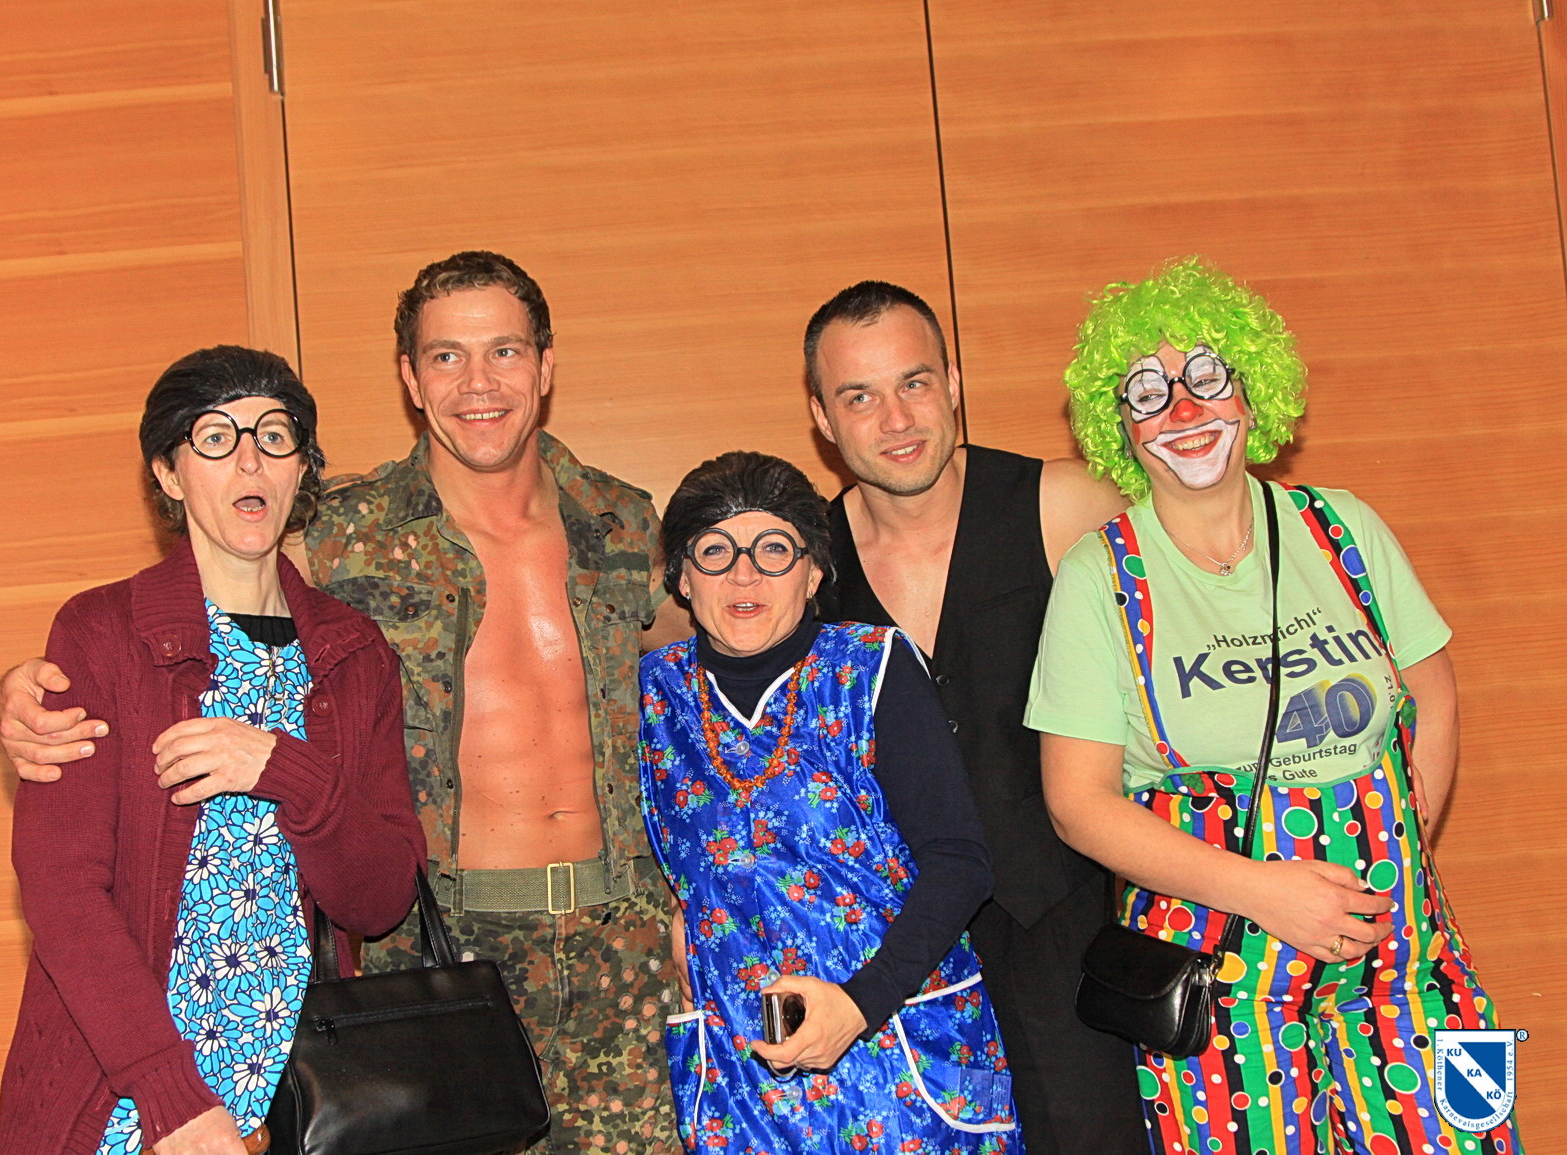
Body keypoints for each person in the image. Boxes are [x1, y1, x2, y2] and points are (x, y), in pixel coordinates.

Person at [0, 253, 686, 1153]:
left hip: (621, 952)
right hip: (437, 961)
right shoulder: (341, 533)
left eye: (506, 350)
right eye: (446, 356)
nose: (478, 382)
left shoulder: (626, 523)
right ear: (410, 377)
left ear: (546, 365)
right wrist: (26, 686)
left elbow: (722, 665)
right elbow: (198, 596)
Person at [1026, 258, 1522, 1154]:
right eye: (1148, 393)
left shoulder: (1344, 526)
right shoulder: (1102, 577)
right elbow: (1077, 802)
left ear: (1252, 394)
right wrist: (1267, 892)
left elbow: (1433, 695)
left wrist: (1398, 855)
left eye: (1206, 376)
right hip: (1224, 976)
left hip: (1403, 957)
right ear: (1122, 425)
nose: (1184, 408)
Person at [0, 346, 423, 1155]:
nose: (250, 460)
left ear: (302, 467)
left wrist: (283, 768)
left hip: (299, 1105)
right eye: (216, 438)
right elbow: (60, 889)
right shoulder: (101, 633)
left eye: (274, 436)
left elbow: (380, 898)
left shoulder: (355, 653)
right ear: (168, 472)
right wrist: (171, 1096)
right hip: (128, 1102)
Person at [805, 282, 1145, 1154]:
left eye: (914, 382)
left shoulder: (1066, 504)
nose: (896, 419)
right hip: (900, 964)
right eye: (859, 396)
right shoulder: (804, 567)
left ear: (953, 383)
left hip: (1077, 936)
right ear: (822, 418)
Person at [640, 451, 1022, 1153]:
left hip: (899, 1049)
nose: (745, 575)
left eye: (774, 549)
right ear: (683, 579)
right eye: (715, 551)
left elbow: (960, 862)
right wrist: (670, 906)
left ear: (814, 571)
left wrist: (860, 1003)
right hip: (740, 1079)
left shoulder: (872, 667)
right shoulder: (651, 693)